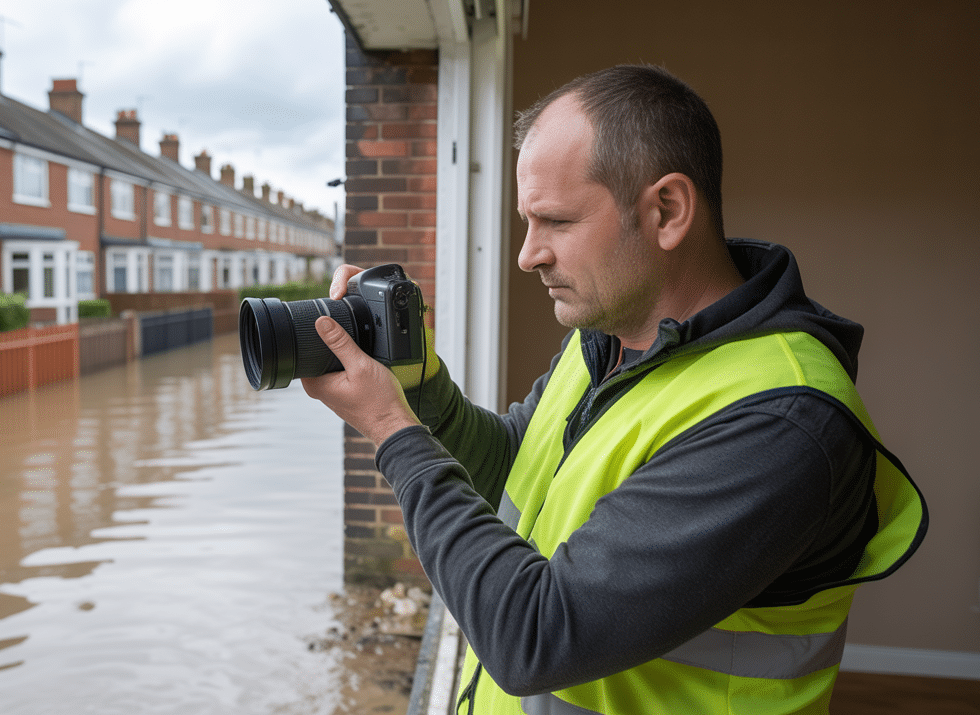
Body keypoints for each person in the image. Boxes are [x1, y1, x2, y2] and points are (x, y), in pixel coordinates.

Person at [302, 65, 926, 714]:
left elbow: (535, 638)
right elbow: (516, 467)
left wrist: (390, 429)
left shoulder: (780, 421)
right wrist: (419, 387)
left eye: (555, 221)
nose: (527, 254)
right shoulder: (609, 337)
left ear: (667, 211)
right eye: (526, 221)